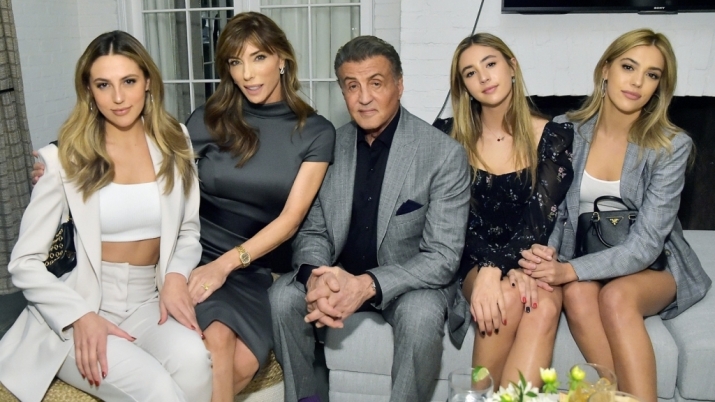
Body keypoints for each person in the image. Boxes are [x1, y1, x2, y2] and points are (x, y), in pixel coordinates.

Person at [0, 31, 212, 402]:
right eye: (103, 85)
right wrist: (78, 316)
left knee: (196, 362)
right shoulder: (62, 158)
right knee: (158, 390)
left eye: (129, 81)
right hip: (81, 305)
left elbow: (188, 230)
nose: (118, 97)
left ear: (148, 82)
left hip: (149, 299)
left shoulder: (175, 139)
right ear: (89, 90)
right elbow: (24, 263)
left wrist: (176, 276)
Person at [269, 35, 471, 402]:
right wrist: (316, 277)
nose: (364, 98)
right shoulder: (328, 146)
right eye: (352, 86)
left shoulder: (442, 154)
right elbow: (314, 230)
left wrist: (366, 285)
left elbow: (442, 257)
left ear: (399, 85)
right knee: (283, 297)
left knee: (422, 315)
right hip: (339, 275)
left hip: (408, 283)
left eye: (376, 83)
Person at [519, 28, 711, 402]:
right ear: (606, 69)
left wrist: (569, 271)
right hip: (585, 255)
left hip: (654, 266)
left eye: (652, 74)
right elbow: (553, 211)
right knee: (576, 294)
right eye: (628, 66)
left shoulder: (671, 146)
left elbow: (647, 245)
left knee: (616, 297)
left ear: (659, 86)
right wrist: (548, 256)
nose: (637, 82)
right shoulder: (566, 129)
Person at [184, 12, 335, 402]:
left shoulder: (316, 132)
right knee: (219, 339)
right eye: (236, 62)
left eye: (259, 58)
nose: (247, 74)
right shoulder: (207, 120)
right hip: (199, 253)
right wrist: (62, 158)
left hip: (255, 267)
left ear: (282, 59)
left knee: (244, 366)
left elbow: (291, 219)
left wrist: (226, 266)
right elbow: (144, 160)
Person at [449, 33, 574, 388]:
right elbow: (453, 224)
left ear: (512, 67)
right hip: (470, 259)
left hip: (529, 255)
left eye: (490, 64)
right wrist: (490, 270)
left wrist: (505, 267)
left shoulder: (554, 136)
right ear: (464, 86)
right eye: (470, 73)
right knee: (506, 297)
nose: (484, 77)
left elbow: (540, 220)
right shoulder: (449, 138)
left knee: (542, 304)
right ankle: (478, 395)